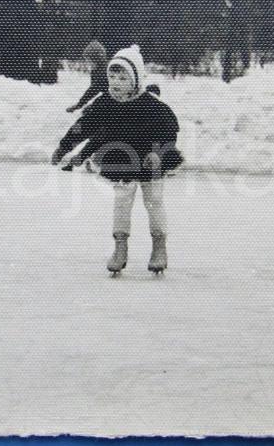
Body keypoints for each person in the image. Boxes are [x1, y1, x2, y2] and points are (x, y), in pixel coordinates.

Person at [51, 44, 183, 274]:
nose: (115, 83)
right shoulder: (105, 103)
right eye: (112, 76)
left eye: (122, 78)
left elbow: (168, 131)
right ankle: (120, 248)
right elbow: (85, 127)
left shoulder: (152, 106)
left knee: (154, 201)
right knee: (121, 202)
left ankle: (159, 247)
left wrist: (158, 153)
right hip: (122, 161)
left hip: (150, 162)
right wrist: (65, 147)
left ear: (135, 80)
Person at [65, 39, 109, 112]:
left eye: (90, 61)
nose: (88, 63)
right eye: (87, 60)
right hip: (107, 97)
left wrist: (79, 104)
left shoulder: (103, 72)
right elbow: (93, 89)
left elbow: (92, 90)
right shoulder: (96, 70)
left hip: (116, 100)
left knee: (90, 111)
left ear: (97, 60)